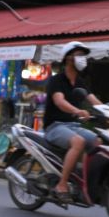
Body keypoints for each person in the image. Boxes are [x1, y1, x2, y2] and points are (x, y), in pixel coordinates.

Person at [44, 41, 103, 201]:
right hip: (55, 126)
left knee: (97, 142)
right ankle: (61, 184)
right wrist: (77, 111)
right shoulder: (56, 80)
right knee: (79, 142)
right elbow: (59, 101)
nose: (82, 58)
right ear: (68, 58)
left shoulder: (80, 82)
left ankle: (85, 182)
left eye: (83, 55)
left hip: (74, 125)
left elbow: (93, 100)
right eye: (79, 55)